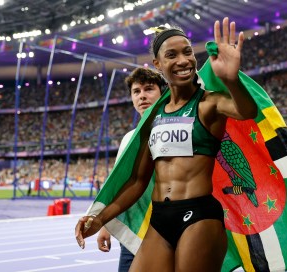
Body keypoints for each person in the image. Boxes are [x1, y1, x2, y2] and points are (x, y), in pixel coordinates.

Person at [75, 17, 258, 271]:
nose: (183, 60)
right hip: (160, 219)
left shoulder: (209, 104)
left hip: (198, 216)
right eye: (171, 55)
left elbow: (247, 110)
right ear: (158, 64)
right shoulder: (153, 117)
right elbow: (138, 182)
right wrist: (99, 218)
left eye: (187, 52)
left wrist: (231, 80)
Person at [96, 67, 165, 271]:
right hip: (135, 229)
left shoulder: (175, 130)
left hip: (168, 228)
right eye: (136, 91)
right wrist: (106, 225)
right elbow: (121, 184)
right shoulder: (128, 138)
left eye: (149, 89)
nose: (142, 96)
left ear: (163, 93)